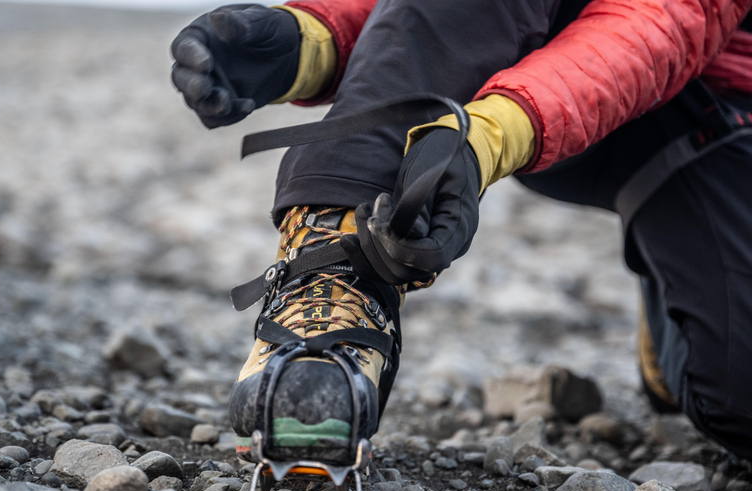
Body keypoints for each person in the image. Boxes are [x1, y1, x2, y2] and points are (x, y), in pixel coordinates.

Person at [171, 0, 752, 466]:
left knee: (738, 399)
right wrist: (309, 40)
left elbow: (671, 18)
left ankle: (675, 302)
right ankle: (334, 272)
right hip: (561, 72)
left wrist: (491, 137)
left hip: (717, 121)